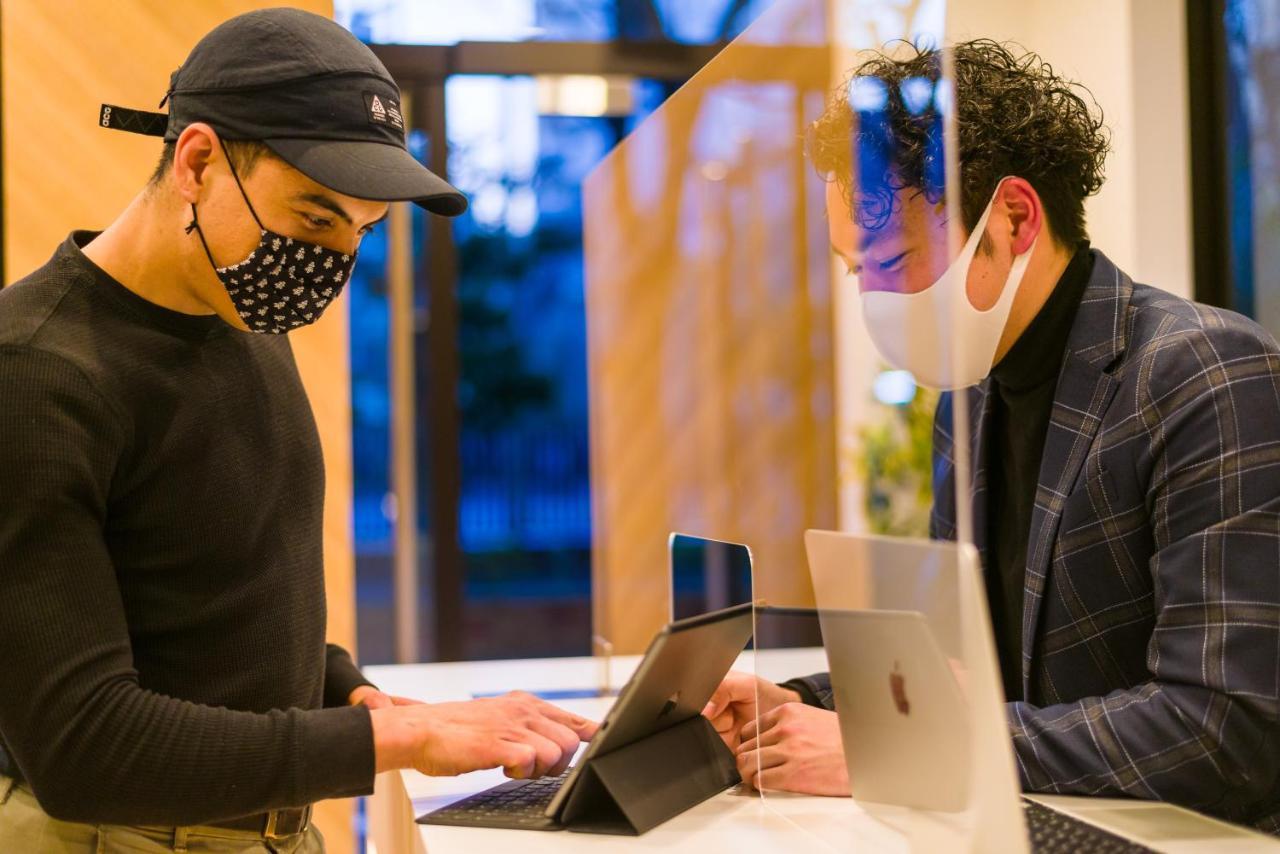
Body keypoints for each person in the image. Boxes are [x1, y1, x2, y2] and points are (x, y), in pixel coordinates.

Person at [0, 9, 593, 851]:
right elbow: (82, 746)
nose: (332, 261)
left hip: (276, 830)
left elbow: (213, 600)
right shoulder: (32, 371)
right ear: (198, 160)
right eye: (315, 220)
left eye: (363, 232)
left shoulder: (244, 318)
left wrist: (348, 691)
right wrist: (403, 741)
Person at [704, 39, 1280, 834]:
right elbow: (960, 674)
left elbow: (1225, 729)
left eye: (893, 260)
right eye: (855, 272)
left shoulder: (1205, 375)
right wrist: (801, 703)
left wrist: (904, 753)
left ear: (1013, 218)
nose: (875, 300)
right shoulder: (971, 400)